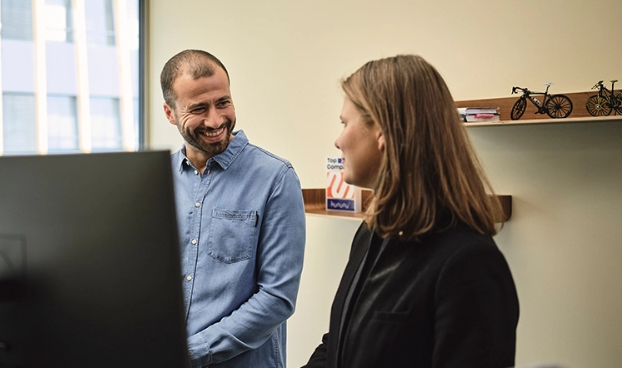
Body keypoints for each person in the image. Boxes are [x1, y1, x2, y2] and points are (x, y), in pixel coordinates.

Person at [303, 55, 519, 368]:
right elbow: (338, 344)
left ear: (383, 132)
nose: (338, 140)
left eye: (345, 123)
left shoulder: (469, 263)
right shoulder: (370, 234)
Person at [161, 49, 306, 368]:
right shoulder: (157, 181)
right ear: (170, 113)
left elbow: (277, 299)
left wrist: (189, 354)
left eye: (223, 103)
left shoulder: (276, 179)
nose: (215, 120)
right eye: (199, 108)